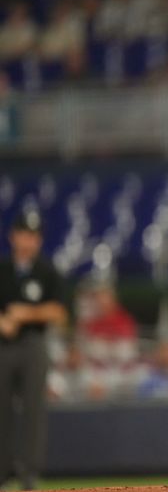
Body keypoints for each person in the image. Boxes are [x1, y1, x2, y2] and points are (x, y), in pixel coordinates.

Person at [0, 210, 68, 490]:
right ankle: (2, 471)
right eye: (23, 234)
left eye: (34, 236)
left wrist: (24, 314)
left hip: (33, 344)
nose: (28, 241)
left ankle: (29, 474)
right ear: (12, 236)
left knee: (33, 410)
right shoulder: (2, 269)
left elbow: (59, 312)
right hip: (3, 346)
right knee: (1, 411)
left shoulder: (47, 271)